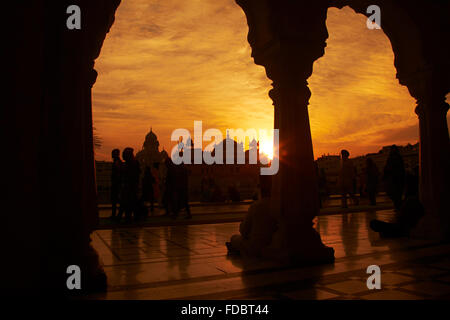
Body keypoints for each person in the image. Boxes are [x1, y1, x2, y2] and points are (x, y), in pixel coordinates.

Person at [226, 175, 277, 257]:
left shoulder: (256, 206)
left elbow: (244, 230)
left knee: (234, 238)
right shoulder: (277, 205)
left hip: (255, 247)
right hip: (272, 245)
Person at [370, 166, 423, 237]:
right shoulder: (412, 197)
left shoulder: (412, 199)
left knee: (392, 228)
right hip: (403, 224)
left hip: (404, 226)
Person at [117, 147, 140, 223]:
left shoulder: (132, 164)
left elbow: (132, 175)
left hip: (130, 187)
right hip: (130, 187)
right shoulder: (132, 163)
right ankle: (130, 218)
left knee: (128, 203)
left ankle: (128, 218)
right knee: (130, 203)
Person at [383, 145, 405, 211]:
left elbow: (388, 168)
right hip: (396, 179)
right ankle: (398, 206)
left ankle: (398, 206)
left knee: (395, 194)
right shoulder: (397, 157)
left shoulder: (394, 158)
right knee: (396, 194)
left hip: (395, 179)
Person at [110, 149, 123, 220]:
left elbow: (118, 174)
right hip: (117, 183)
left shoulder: (117, 162)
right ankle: (116, 214)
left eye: (112, 153)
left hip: (117, 184)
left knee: (115, 200)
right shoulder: (117, 162)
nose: (111, 155)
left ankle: (116, 214)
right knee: (116, 200)